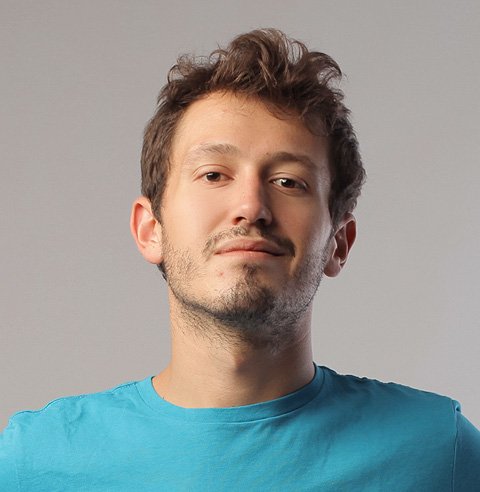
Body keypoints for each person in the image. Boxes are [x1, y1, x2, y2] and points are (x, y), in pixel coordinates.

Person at [1, 28, 479, 491]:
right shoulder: (35, 462)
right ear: (151, 230)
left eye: (288, 182)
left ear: (339, 242)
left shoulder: (440, 453)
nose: (251, 207)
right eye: (213, 175)